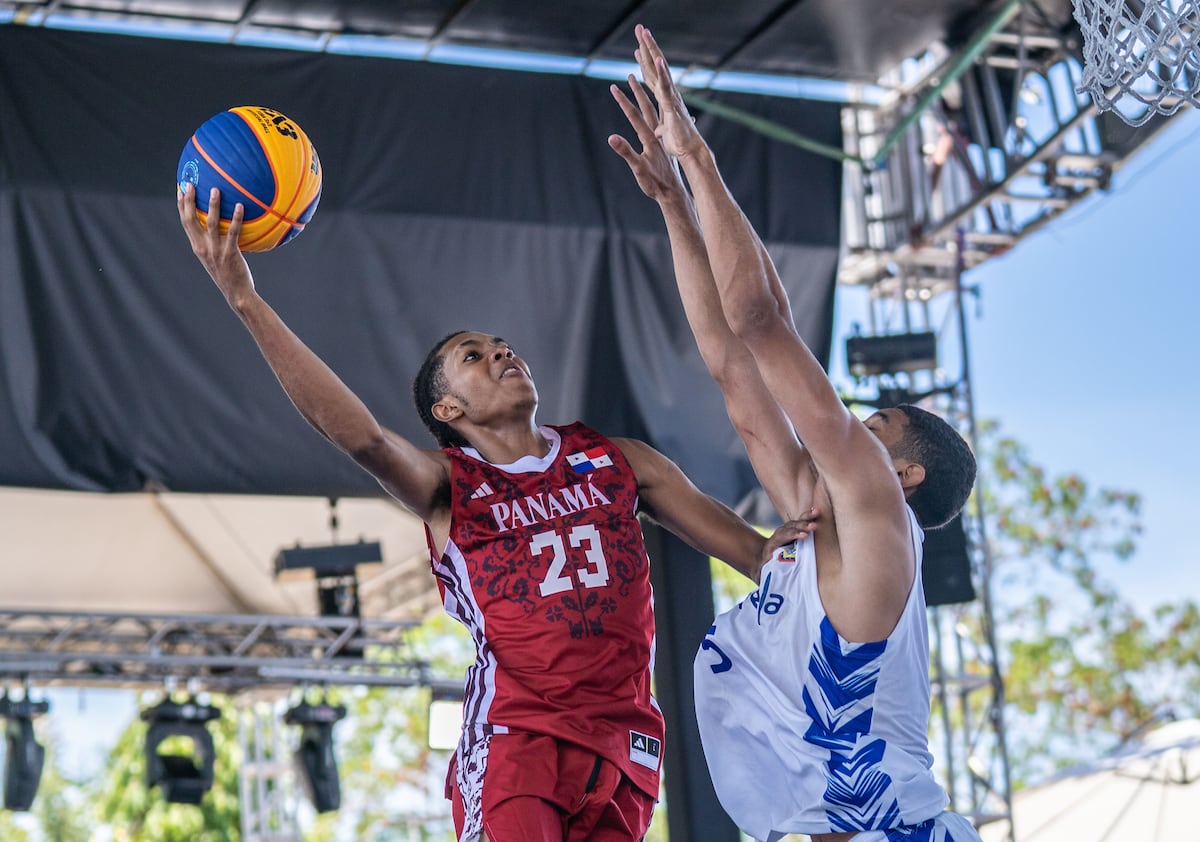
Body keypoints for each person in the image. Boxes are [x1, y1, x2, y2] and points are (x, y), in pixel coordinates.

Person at [176, 183, 812, 842]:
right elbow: (360, 436)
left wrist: (807, 542)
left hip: (627, 745)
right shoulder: (453, 485)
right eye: (473, 357)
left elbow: (754, 554)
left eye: (501, 345)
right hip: (520, 739)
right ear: (449, 411)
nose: (501, 353)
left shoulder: (620, 460)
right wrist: (245, 299)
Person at [608, 25, 982, 842]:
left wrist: (696, 157)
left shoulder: (874, 503)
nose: (848, 423)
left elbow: (758, 318)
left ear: (905, 473)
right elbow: (730, 365)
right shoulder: (810, 532)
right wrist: (672, 201)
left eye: (874, 422)